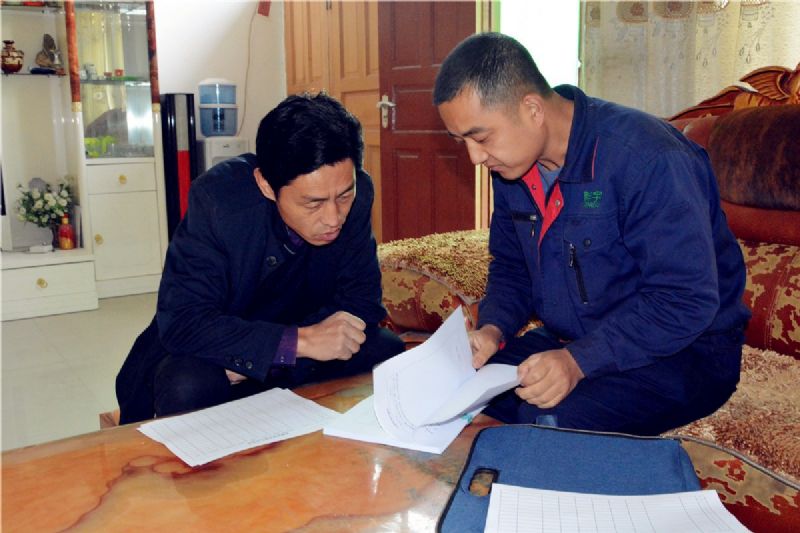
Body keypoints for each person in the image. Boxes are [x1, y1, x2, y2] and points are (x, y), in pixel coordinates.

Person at [433, 33, 751, 435]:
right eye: (461, 141)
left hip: (686, 353)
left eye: (481, 138)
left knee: (548, 423)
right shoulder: (512, 170)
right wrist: (492, 330)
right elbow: (513, 268)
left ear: (532, 109)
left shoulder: (648, 158)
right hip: (579, 339)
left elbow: (684, 299)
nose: (474, 157)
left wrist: (579, 362)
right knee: (459, 388)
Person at [116, 93, 404, 424]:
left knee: (386, 349)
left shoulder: (358, 194)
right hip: (218, 354)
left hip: (285, 352)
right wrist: (293, 343)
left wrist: (284, 352)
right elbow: (184, 321)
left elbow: (363, 302)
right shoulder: (218, 202)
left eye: (343, 196)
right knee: (187, 383)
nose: (333, 218)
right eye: (312, 203)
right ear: (266, 185)